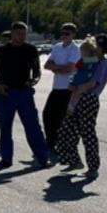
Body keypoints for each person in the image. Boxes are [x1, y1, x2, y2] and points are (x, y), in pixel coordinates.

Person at [0, 21, 52, 169]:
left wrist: (33, 81)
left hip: (24, 92)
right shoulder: (2, 50)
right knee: (5, 127)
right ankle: (6, 159)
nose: (21, 37)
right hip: (6, 93)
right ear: (12, 34)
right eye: (19, 34)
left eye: (24, 34)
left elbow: (36, 71)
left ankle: (43, 157)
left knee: (33, 126)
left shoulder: (30, 50)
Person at [54, 33, 107, 178]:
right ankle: (74, 160)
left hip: (89, 99)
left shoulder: (104, 64)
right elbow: (78, 71)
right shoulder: (90, 61)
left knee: (87, 135)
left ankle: (93, 167)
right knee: (66, 131)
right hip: (76, 98)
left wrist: (76, 88)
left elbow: (91, 84)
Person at [41, 22, 80, 151]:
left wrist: (56, 68)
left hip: (69, 88)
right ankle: (50, 141)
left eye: (67, 33)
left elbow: (70, 68)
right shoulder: (57, 47)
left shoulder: (76, 49)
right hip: (56, 87)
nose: (64, 36)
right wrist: (59, 68)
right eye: (62, 33)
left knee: (63, 118)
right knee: (47, 114)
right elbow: (47, 64)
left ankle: (63, 144)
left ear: (73, 34)